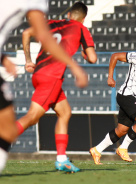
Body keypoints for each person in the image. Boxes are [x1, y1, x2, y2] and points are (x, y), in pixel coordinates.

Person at [0, 0, 88, 183]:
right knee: (9, 130)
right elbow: (43, 35)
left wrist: (2, 57)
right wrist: (75, 66)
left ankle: (62, 158)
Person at [16, 2, 97, 173]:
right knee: (31, 117)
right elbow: (92, 58)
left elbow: (26, 32)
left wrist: (28, 60)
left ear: (68, 15)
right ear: (83, 18)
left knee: (65, 112)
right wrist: (84, 53)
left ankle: (61, 159)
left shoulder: (52, 23)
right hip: (51, 78)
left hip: (39, 74)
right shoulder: (81, 28)